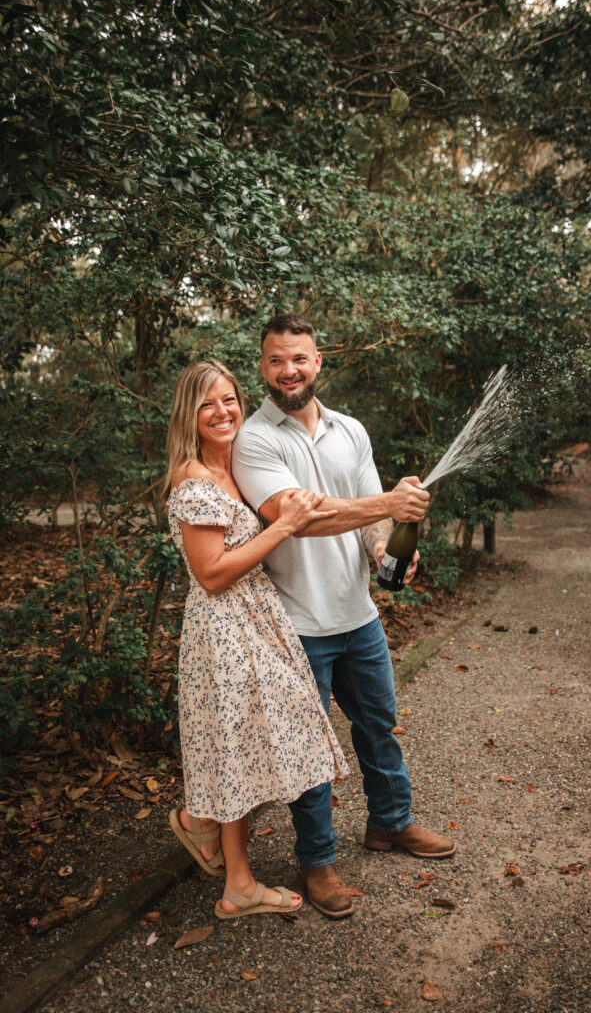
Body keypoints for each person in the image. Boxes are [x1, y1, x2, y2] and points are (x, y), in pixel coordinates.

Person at [231, 313, 456, 921]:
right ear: (263, 366)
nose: (288, 371)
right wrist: (386, 502)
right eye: (276, 360)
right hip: (297, 624)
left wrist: (384, 548)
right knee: (309, 751)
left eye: (298, 358)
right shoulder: (254, 439)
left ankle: (391, 824)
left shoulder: (349, 430)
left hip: (358, 618)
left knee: (379, 726)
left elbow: (368, 518)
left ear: (318, 361)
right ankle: (319, 861)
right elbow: (295, 516)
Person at [164, 358, 349, 920]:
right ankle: (236, 880)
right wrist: (284, 527)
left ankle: (203, 825)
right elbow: (213, 573)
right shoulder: (194, 480)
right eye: (207, 404)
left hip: (253, 621)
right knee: (246, 740)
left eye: (229, 400)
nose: (222, 412)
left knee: (247, 742)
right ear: (189, 416)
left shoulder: (233, 472)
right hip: (223, 629)